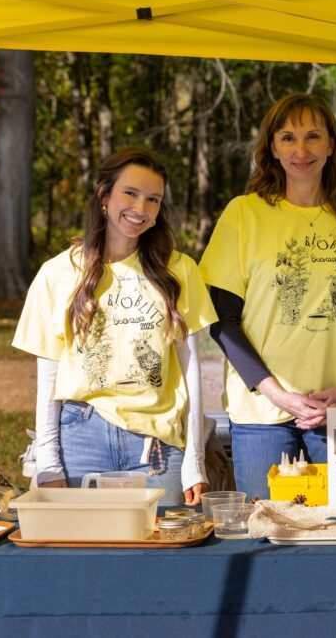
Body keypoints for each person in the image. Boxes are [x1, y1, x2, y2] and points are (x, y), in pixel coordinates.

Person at [199, 93, 336, 500]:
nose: (302, 150)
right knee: (268, 531)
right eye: (288, 138)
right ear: (272, 148)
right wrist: (276, 393)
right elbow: (223, 320)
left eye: (313, 137)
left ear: (331, 146)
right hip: (261, 416)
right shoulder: (244, 214)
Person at [13, 147, 218, 507]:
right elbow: (49, 375)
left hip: (157, 445)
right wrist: (48, 462)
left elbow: (191, 368)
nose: (140, 209)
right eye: (130, 193)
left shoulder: (179, 271)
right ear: (104, 195)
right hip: (81, 436)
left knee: (160, 551)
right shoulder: (57, 273)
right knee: (83, 554)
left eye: (152, 199)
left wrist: (194, 460)